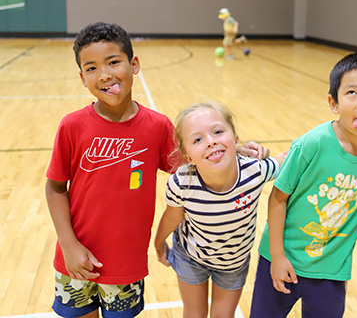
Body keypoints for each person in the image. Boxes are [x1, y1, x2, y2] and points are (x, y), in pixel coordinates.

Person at [45, 22, 264, 318]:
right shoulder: (72, 126)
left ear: (134, 64)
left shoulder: (157, 127)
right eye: (92, 68)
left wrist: (233, 148)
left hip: (125, 262)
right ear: (83, 78)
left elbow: (194, 159)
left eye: (113, 62)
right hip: (75, 257)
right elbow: (55, 187)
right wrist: (68, 244)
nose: (106, 74)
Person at [249, 52, 357, 318]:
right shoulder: (312, 144)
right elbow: (278, 198)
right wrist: (277, 256)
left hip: (331, 270)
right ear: (334, 102)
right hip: (281, 259)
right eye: (352, 92)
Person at [154, 101, 287, 318]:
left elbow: (289, 157)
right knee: (195, 314)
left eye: (217, 132)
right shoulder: (182, 183)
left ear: (235, 139)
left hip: (233, 262)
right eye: (198, 139)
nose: (211, 142)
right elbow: (172, 216)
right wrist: (159, 242)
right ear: (188, 157)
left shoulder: (255, 171)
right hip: (191, 257)